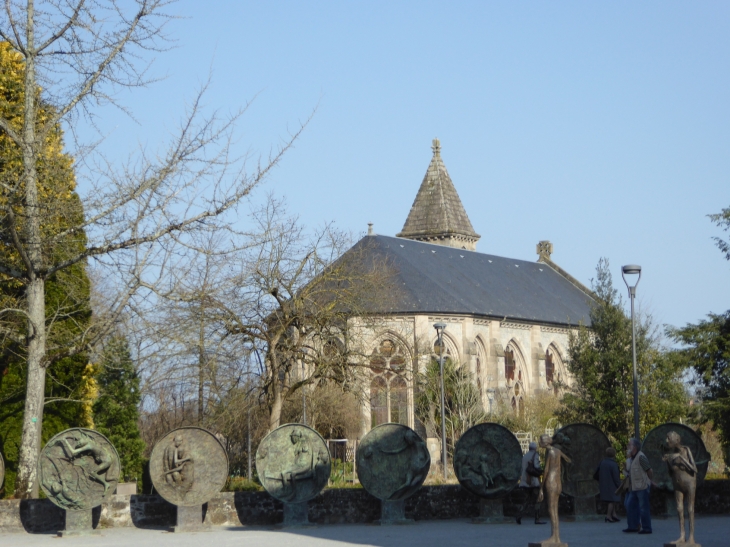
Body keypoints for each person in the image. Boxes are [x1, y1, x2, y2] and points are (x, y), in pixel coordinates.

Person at [536, 434, 571, 544]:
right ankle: (556, 537)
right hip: (558, 482)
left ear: (545, 442)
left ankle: (554, 536)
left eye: (540, 440)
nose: (539, 442)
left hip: (551, 482)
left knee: (551, 510)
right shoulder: (557, 451)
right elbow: (568, 460)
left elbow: (546, 470)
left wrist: (541, 488)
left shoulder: (550, 452)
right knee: (555, 510)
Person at [623, 438, 655, 535]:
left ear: (635, 447)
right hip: (633, 487)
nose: (628, 446)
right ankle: (633, 526)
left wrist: (649, 480)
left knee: (643, 508)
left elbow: (649, 470)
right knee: (629, 505)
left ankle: (647, 528)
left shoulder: (641, 457)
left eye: (630, 445)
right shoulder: (631, 458)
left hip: (642, 486)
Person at [516, 441, 546, 525]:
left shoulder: (525, 456)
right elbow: (536, 466)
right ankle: (537, 518)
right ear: (535, 448)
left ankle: (519, 515)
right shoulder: (535, 455)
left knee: (526, 500)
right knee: (538, 499)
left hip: (525, 481)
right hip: (533, 482)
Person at [596, 447, 621, 522]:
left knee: (611, 500)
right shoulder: (613, 464)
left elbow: (597, 472)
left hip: (604, 484)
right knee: (612, 500)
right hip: (612, 485)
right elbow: (616, 476)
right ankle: (608, 516)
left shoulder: (602, 462)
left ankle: (614, 514)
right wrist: (619, 485)